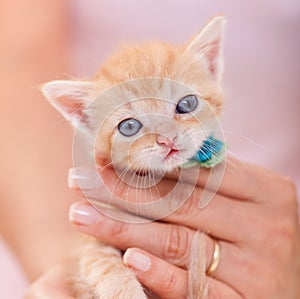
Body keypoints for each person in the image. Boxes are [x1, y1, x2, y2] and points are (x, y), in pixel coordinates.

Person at [0, 1, 299, 298]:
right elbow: (17, 59)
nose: (166, 138)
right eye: (131, 126)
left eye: (185, 106)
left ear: (211, 66)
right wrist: (62, 265)